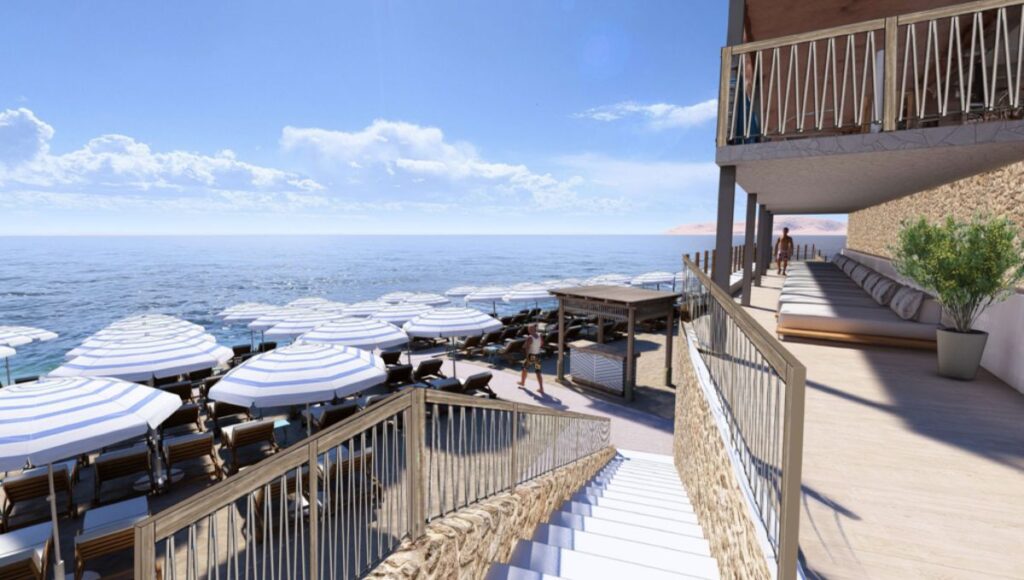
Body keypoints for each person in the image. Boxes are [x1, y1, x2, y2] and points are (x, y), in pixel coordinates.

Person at [517, 323, 545, 395]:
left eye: (529, 329)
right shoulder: (539, 335)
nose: (528, 330)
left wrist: (527, 357)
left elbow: (526, 348)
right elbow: (542, 343)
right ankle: (541, 388)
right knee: (538, 371)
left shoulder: (530, 337)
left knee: (524, 368)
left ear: (530, 330)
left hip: (531, 356)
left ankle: (522, 382)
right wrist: (536, 346)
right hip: (538, 356)